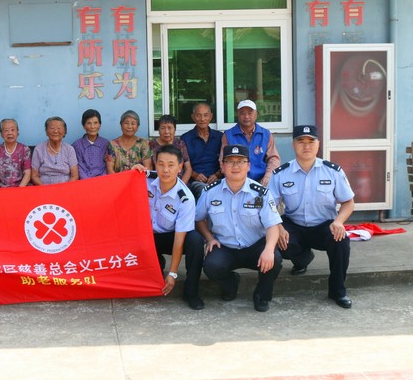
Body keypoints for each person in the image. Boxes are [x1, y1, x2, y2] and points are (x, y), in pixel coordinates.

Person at [269, 125, 355, 309]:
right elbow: (269, 205)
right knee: (275, 239)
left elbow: (348, 202)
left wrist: (339, 221)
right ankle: (303, 259)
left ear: (318, 144)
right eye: (301, 141)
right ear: (293, 144)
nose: (306, 146)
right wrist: (278, 226)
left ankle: (337, 291)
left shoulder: (333, 171)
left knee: (341, 241)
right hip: (294, 224)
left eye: (311, 141)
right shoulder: (281, 173)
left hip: (324, 225)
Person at [195, 145, 282, 312]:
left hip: (255, 246)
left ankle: (262, 295)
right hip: (225, 247)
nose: (235, 166)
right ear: (222, 166)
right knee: (211, 266)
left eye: (241, 162)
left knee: (275, 259)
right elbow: (198, 219)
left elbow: (272, 225)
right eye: (230, 162)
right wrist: (209, 238)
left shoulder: (260, 193)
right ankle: (231, 283)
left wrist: (269, 249)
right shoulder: (210, 192)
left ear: (248, 166)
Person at [132, 145, 205, 310]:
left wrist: (172, 273)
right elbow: (122, 187)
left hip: (171, 237)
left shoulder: (185, 199)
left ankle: (191, 292)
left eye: (171, 165)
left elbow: (179, 240)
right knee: (150, 272)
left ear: (180, 167)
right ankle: (157, 261)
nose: (165, 170)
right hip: (147, 237)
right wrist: (131, 172)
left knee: (195, 241)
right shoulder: (144, 179)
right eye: (161, 164)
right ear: (155, 164)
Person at [221, 100, 280, 186]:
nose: (246, 116)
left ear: (256, 115)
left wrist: (268, 176)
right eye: (242, 113)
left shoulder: (265, 134)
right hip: (236, 181)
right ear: (237, 114)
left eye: (250, 113)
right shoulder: (228, 135)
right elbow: (223, 161)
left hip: (262, 180)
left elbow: (273, 158)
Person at [181, 103, 224, 199]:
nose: (202, 119)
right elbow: (182, 164)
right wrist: (195, 175)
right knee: (205, 191)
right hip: (195, 182)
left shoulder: (220, 137)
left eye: (206, 115)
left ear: (211, 116)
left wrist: (217, 175)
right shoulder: (185, 138)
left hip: (217, 179)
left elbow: (226, 161)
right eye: (198, 115)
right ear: (193, 117)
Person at [31, 117, 78, 185]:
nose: (55, 131)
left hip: (66, 187)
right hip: (44, 187)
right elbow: (34, 176)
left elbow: (74, 176)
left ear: (65, 132)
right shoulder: (39, 149)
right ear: (46, 131)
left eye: (59, 128)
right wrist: (45, 188)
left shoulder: (69, 149)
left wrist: (65, 188)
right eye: (52, 128)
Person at [148, 115, 192, 185]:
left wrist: (180, 186)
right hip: (159, 184)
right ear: (158, 130)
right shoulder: (151, 145)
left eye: (169, 128)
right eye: (163, 128)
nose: (166, 132)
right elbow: (149, 169)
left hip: (180, 183)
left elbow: (188, 169)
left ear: (175, 129)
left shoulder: (180, 144)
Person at [0, 119, 32, 187]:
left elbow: (27, 173)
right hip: (2, 188)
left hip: (21, 187)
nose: (10, 133)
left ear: (17, 132)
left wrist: (19, 190)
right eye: (6, 130)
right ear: (1, 134)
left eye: (13, 130)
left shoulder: (25, 150)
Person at [72, 109, 109, 179]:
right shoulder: (77, 145)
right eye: (89, 123)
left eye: (95, 123)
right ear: (84, 126)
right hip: (84, 182)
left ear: (100, 125)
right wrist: (88, 182)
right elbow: (79, 166)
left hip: (102, 181)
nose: (92, 127)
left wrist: (101, 180)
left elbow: (107, 166)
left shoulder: (106, 144)